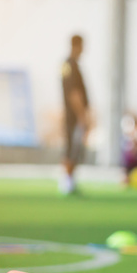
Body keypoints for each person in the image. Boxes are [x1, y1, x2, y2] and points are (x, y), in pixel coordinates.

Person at [60, 34, 91, 195]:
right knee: (72, 148)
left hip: (71, 115)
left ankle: (69, 181)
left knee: (74, 148)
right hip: (73, 116)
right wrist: (82, 115)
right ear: (77, 46)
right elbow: (74, 94)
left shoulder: (68, 65)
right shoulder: (70, 65)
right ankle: (66, 182)